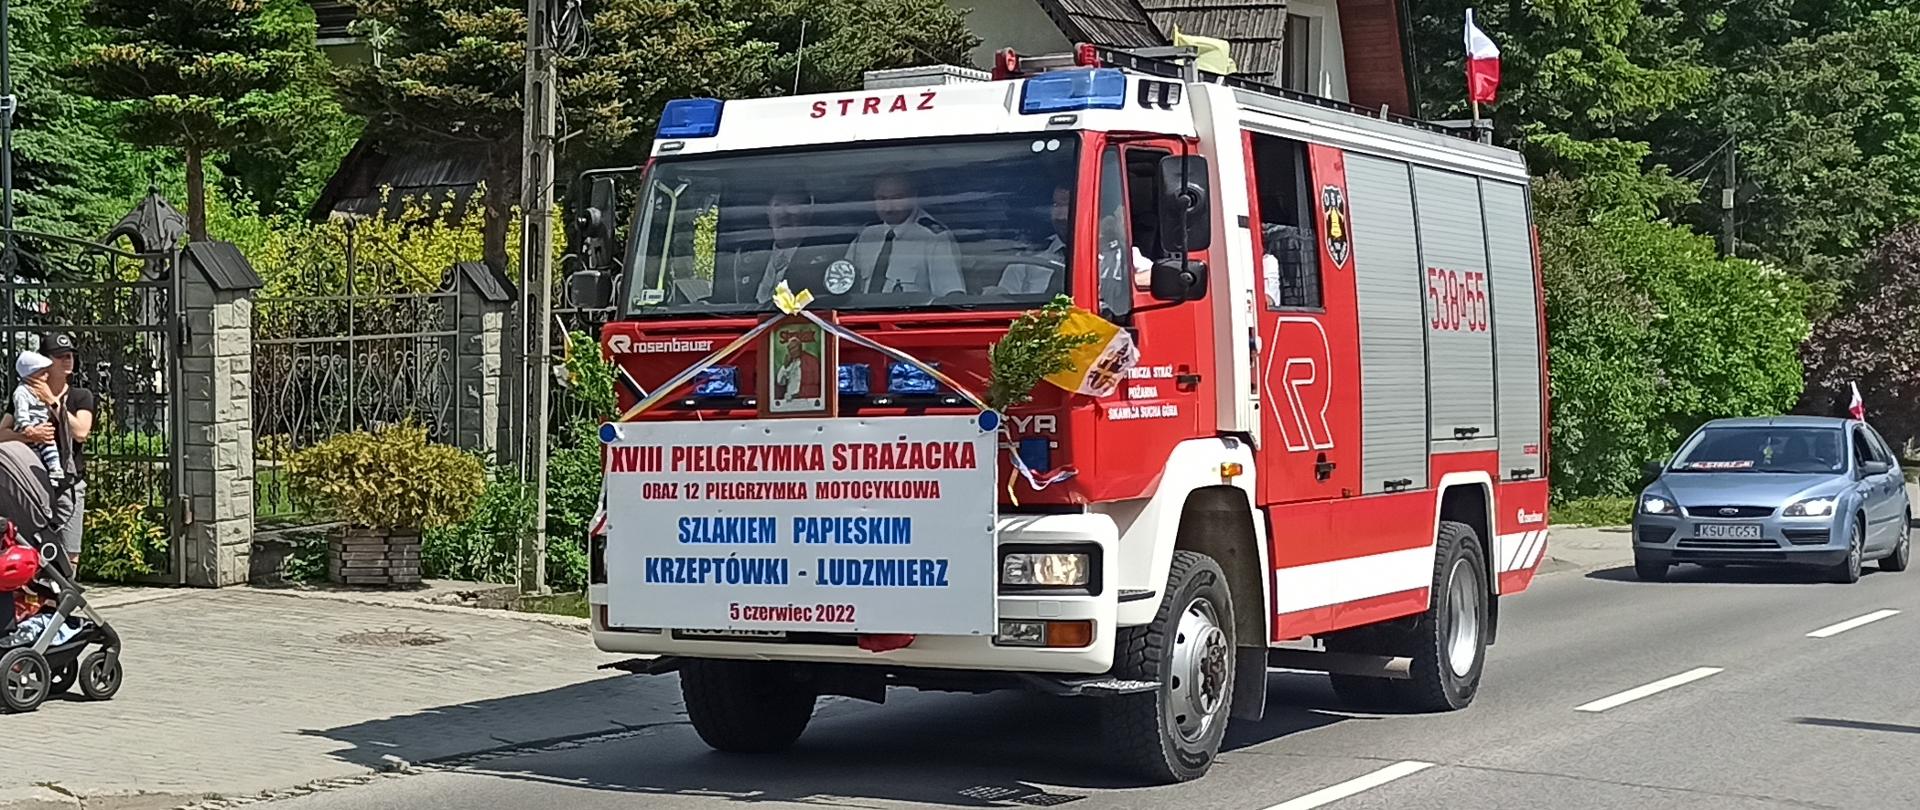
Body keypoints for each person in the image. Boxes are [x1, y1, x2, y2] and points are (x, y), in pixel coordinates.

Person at [0, 333, 94, 573]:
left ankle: (66, 599)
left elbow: (81, 431)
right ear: (44, 361)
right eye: (60, 356)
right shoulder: (22, 395)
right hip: (32, 485)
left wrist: (52, 400)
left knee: (69, 554)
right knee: (33, 549)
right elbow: (2, 434)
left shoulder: (80, 396)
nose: (68, 360)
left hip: (68, 485)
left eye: (70, 355)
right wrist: (28, 436)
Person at [845, 174, 965, 296]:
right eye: (881, 199)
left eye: (897, 199)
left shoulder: (933, 238)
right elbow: (843, 285)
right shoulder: (867, 235)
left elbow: (951, 295)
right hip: (861, 314)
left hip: (909, 314)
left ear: (914, 197)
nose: (888, 208)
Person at [11, 351, 62, 484]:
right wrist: (27, 427)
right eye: (42, 373)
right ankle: (53, 469)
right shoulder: (21, 392)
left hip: (40, 425)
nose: (46, 375)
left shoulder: (41, 391)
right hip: (30, 426)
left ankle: (53, 472)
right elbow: (21, 412)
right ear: (30, 375)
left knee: (48, 445)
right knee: (43, 446)